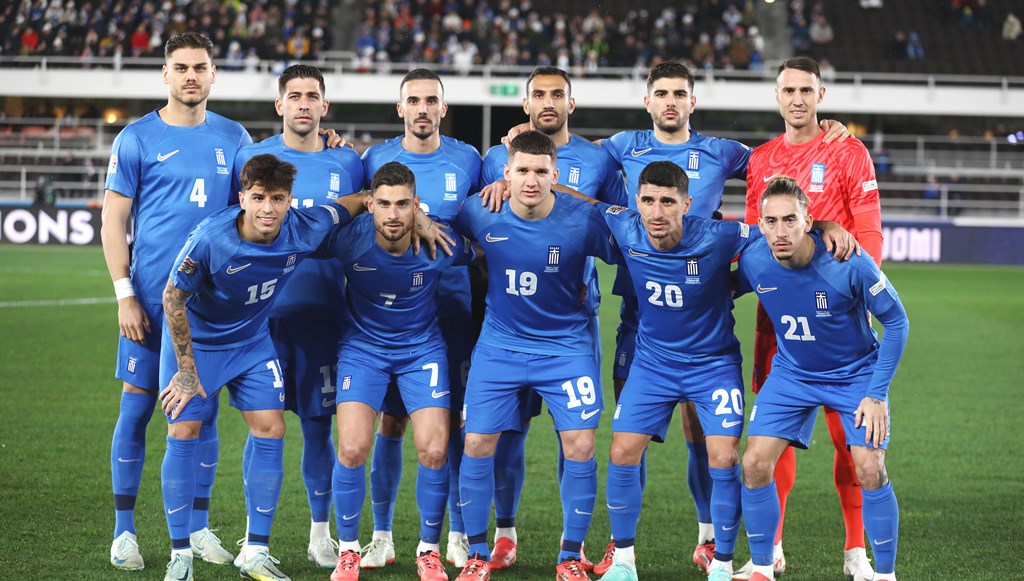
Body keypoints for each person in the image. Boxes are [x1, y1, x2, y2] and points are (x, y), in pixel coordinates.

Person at [598, 61, 849, 576]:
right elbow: (567, 161)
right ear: (647, 100)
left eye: (679, 94)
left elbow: (778, 166)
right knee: (625, 443)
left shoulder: (724, 154)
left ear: (693, 101)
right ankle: (619, 551)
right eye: (661, 93)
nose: (670, 102)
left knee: (708, 442)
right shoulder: (622, 147)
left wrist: (823, 151)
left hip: (706, 318)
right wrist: (516, 146)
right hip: (641, 320)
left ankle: (712, 541)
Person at [157, 154, 362, 581]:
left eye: (278, 198)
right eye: (258, 197)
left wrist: (388, 204)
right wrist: (187, 370)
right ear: (242, 198)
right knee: (184, 431)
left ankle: (255, 551)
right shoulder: (211, 238)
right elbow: (173, 297)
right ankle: (180, 555)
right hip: (200, 345)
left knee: (271, 428)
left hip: (251, 343)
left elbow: (351, 203)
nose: (268, 208)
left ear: (290, 200)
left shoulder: (304, 227)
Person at [101, 31, 252, 572]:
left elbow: (259, 198)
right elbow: (113, 221)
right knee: (137, 408)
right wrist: (124, 295)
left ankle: (199, 526)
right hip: (148, 301)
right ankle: (123, 531)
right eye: (181, 67)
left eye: (200, 67)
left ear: (214, 74)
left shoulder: (234, 137)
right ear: (165, 74)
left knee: (201, 414)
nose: (191, 76)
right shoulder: (137, 138)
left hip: (209, 307)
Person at [735, 56, 884, 581]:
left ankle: (855, 551)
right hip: (777, 323)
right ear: (776, 97)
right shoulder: (761, 159)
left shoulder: (847, 150)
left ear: (820, 94)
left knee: (851, 442)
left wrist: (857, 294)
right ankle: (771, 549)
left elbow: (869, 232)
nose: (796, 98)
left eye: (806, 89)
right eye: (788, 90)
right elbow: (754, 235)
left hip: (839, 324)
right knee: (773, 438)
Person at [452, 131, 619, 581]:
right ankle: (478, 555)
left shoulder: (583, 220)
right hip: (500, 346)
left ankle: (569, 557)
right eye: (522, 170)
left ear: (555, 174)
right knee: (476, 443)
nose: (531, 180)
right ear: (505, 174)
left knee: (581, 445)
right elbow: (437, 229)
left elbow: (633, 249)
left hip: (565, 347)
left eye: (541, 171)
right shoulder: (479, 211)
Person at [736, 176, 907, 581]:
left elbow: (897, 322)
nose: (780, 231)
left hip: (854, 375)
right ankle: (762, 567)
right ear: (760, 225)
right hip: (792, 373)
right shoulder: (753, 259)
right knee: (754, 463)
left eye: (790, 220)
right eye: (771, 221)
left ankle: (885, 575)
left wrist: (877, 394)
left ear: (808, 221)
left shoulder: (849, 263)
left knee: (869, 468)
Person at [232, 64, 364, 569]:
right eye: (294, 96)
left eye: (312, 96)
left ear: (324, 106)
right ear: (279, 104)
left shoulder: (347, 162)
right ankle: (253, 537)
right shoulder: (254, 159)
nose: (303, 103)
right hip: (261, 318)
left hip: (324, 314)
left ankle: (319, 534)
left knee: (317, 427)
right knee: (260, 427)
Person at [324, 162, 476, 581]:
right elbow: (301, 229)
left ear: (416, 206)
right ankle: (349, 550)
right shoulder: (347, 240)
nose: (393, 214)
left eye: (403, 205)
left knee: (435, 449)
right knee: (352, 448)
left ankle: (428, 550)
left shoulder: (440, 240)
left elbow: (492, 246)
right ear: (370, 205)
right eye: (384, 204)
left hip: (421, 351)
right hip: (362, 351)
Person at [360, 68, 482, 569]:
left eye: (432, 100)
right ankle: (382, 535)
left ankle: (457, 532)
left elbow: (490, 214)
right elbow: (360, 209)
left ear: (443, 108)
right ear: (400, 108)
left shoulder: (469, 159)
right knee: (390, 422)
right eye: (414, 100)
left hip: (453, 310)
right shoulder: (373, 159)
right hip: (391, 314)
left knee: (452, 423)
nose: (423, 109)